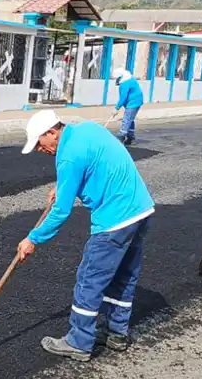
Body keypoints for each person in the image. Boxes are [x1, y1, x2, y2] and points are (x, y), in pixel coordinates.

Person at [16, 109, 156, 362]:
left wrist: (33, 239)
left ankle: (79, 341)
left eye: (39, 142)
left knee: (89, 279)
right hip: (141, 210)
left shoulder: (68, 156)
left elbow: (60, 212)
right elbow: (94, 162)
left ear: (52, 132)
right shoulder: (87, 129)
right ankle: (117, 332)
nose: (39, 148)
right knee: (124, 275)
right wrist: (62, 186)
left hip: (115, 219)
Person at [113, 68, 144, 146]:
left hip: (133, 102)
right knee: (130, 119)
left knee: (127, 119)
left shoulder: (125, 83)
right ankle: (131, 137)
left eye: (116, 79)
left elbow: (123, 97)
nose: (115, 81)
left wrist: (116, 108)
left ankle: (121, 137)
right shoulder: (130, 78)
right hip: (137, 100)